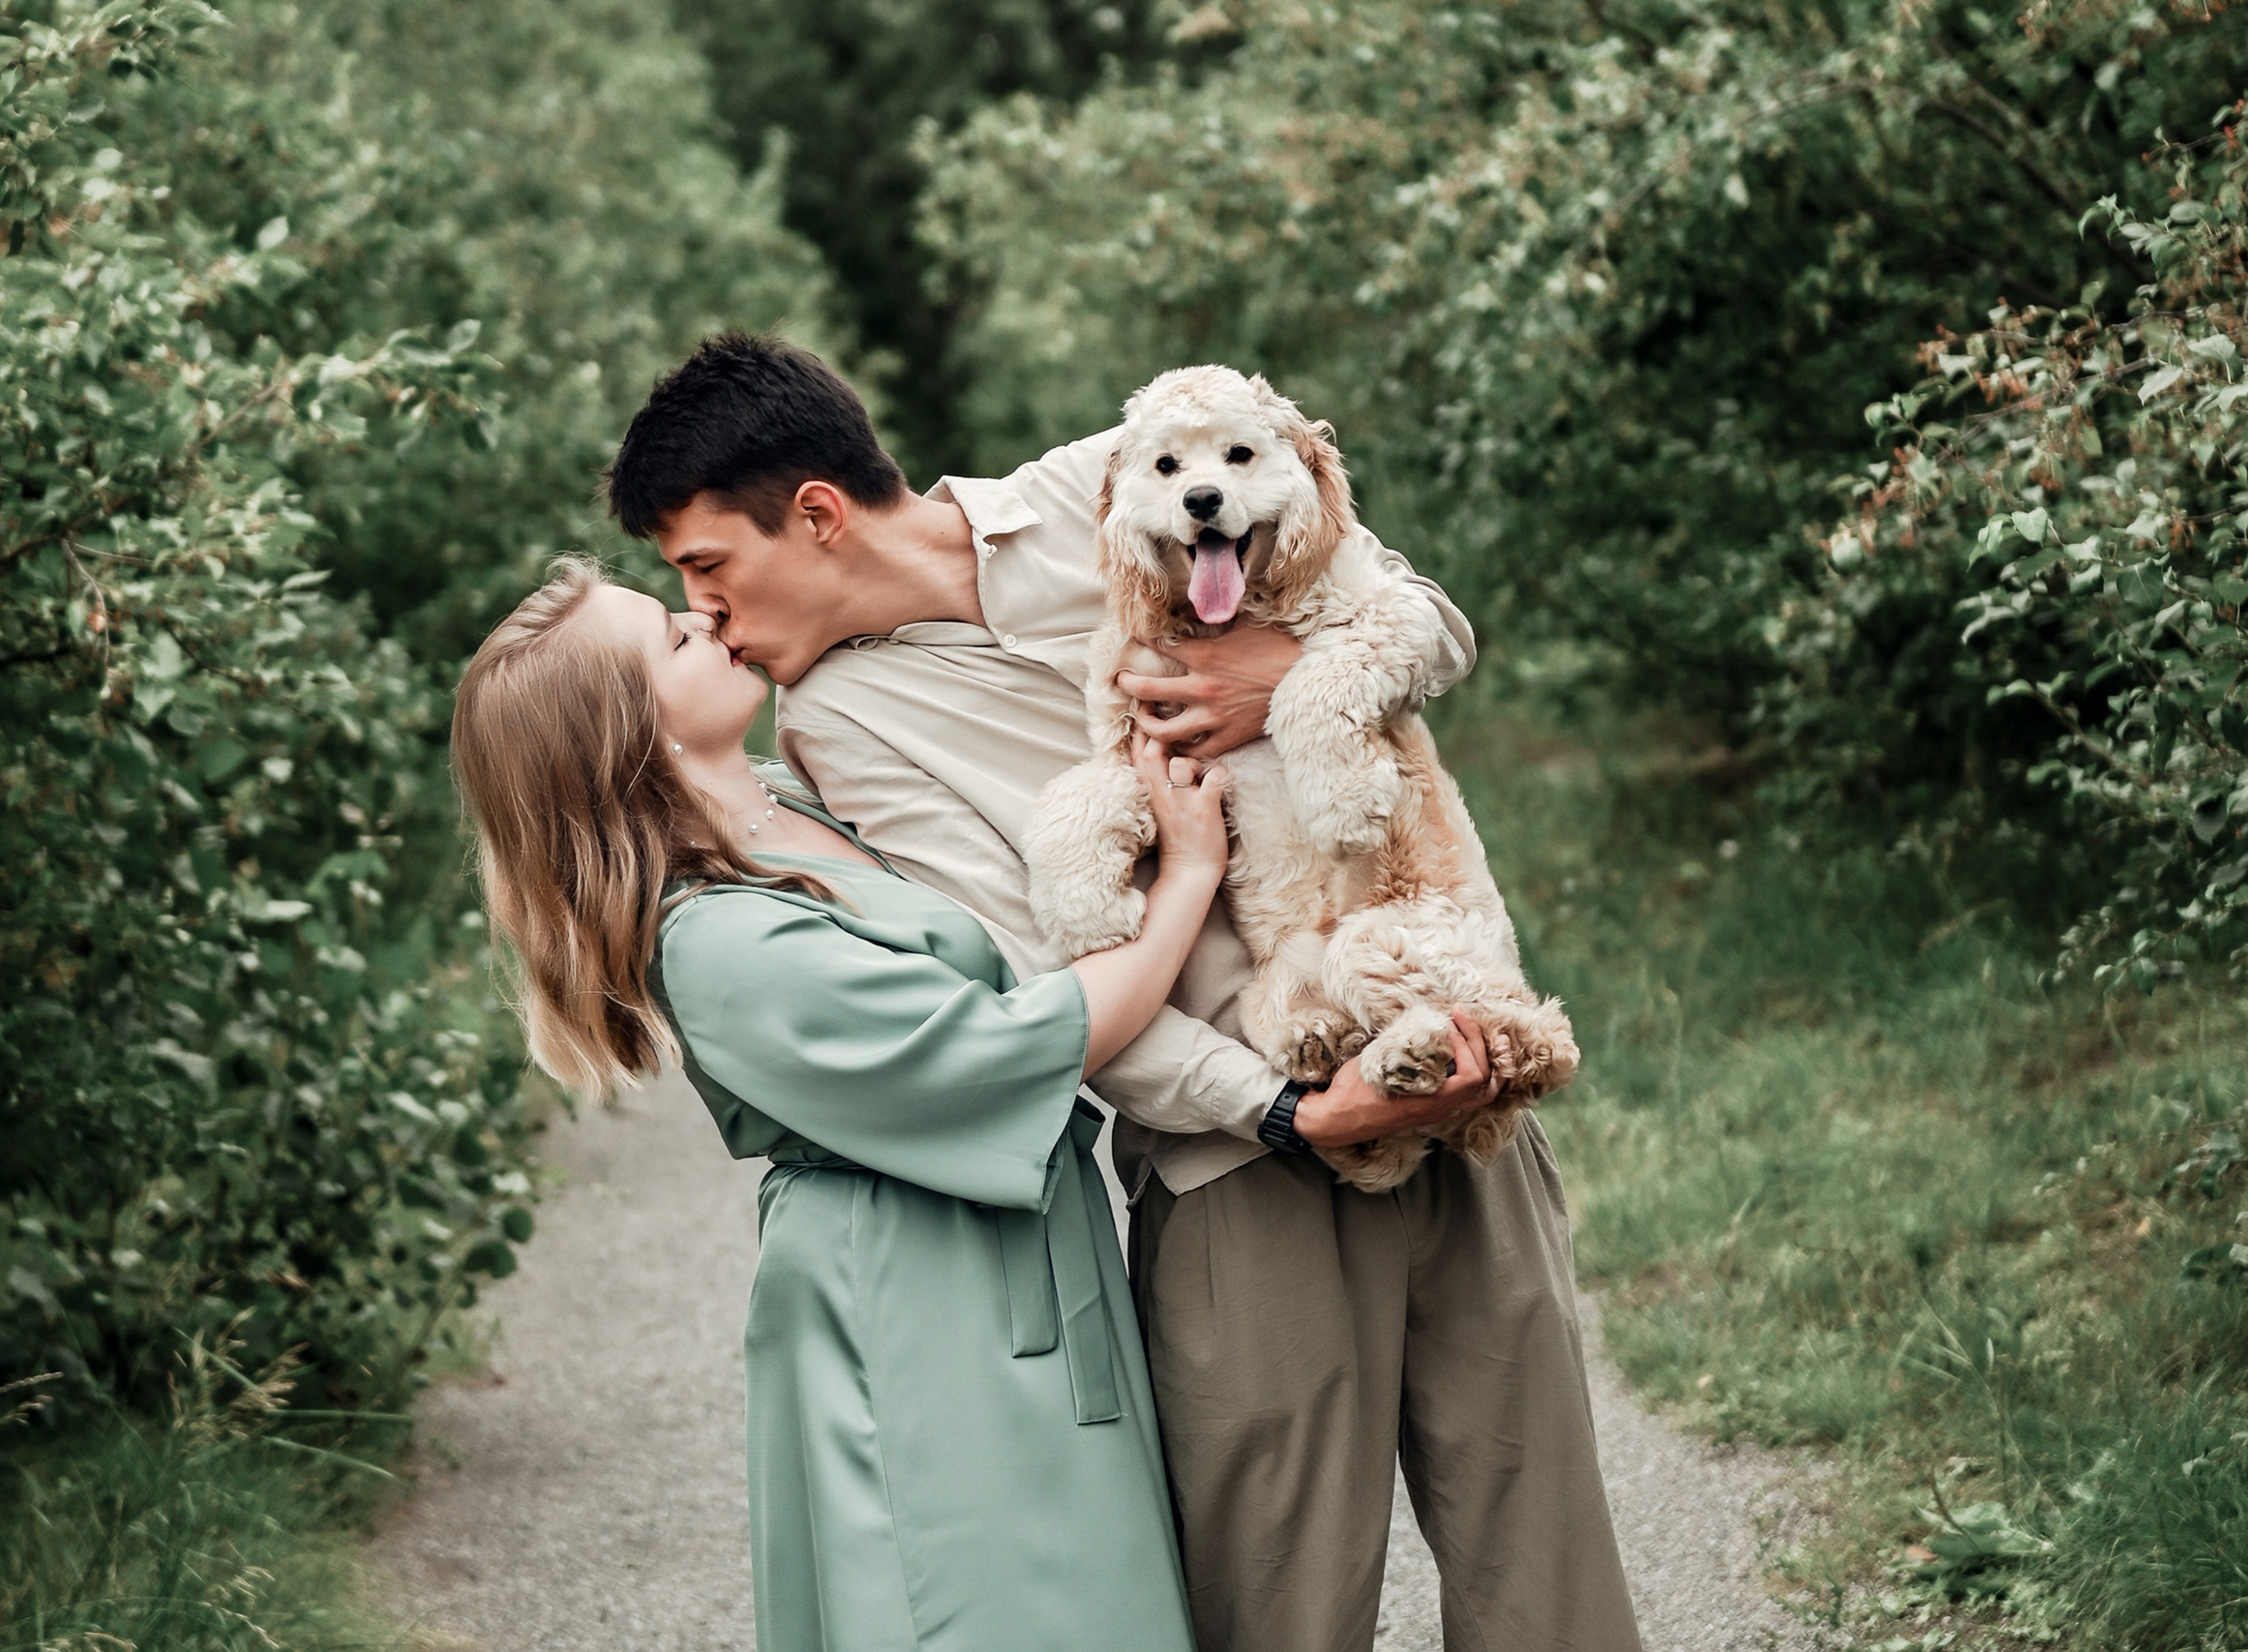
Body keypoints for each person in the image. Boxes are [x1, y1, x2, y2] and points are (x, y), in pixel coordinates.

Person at [605, 334, 1644, 1652]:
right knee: (1277, 1609)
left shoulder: (1119, 473)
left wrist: (1280, 679)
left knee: (1548, 1571)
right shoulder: (840, 726)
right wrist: (1277, 1110)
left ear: (813, 515)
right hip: (1240, 1174)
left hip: (1457, 1060)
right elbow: (1053, 971)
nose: (717, 618)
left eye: (710, 568)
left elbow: (1419, 613)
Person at [448, 557, 1223, 1652]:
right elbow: (1006, 1050)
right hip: (912, 1285)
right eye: (667, 637)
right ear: (623, 735)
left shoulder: (790, 802)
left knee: (1089, 1594)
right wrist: (1185, 882)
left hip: (1003, 1243)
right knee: (976, 1604)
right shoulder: (714, 936)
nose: (700, 614)